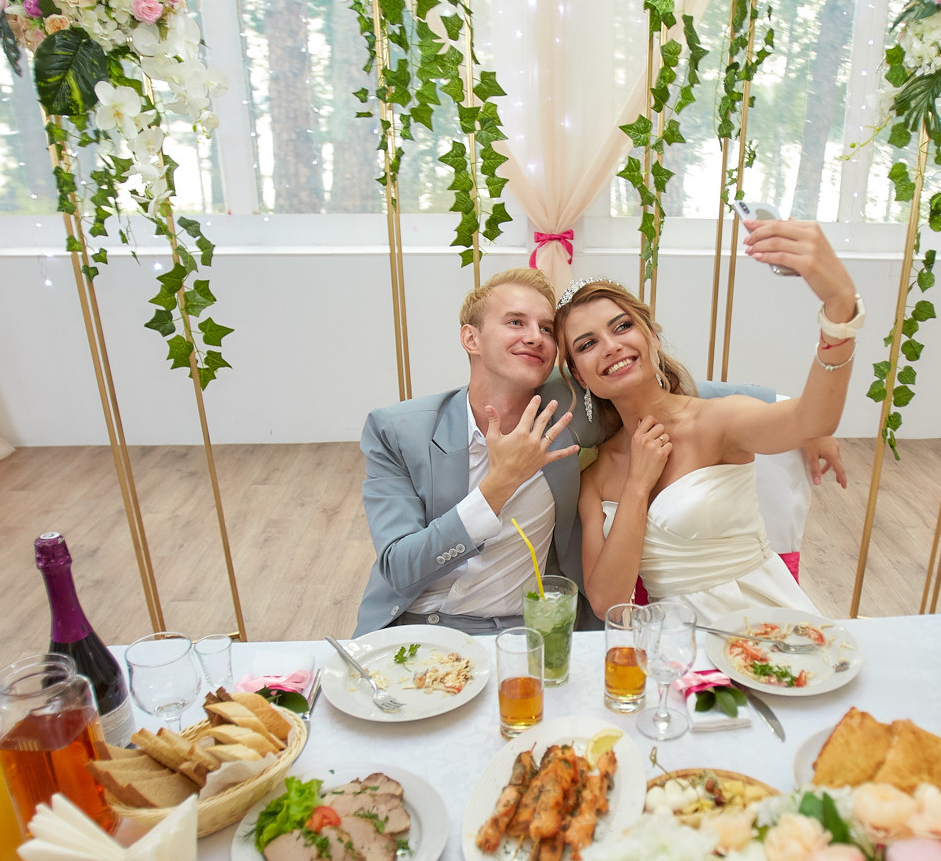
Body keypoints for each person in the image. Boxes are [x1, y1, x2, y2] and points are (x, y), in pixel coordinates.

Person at [355, 267, 841, 636]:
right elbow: (398, 567)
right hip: (417, 627)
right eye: (515, 322)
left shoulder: (565, 419)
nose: (533, 337)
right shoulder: (398, 431)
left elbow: (668, 392)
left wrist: (796, 417)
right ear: (471, 338)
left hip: (527, 633)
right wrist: (500, 483)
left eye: (546, 329)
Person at [562, 218, 862, 623]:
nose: (612, 346)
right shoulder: (595, 479)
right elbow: (607, 604)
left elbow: (812, 419)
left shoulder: (719, 422)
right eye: (587, 344)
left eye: (622, 326)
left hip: (764, 627)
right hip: (674, 653)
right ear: (580, 376)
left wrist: (839, 308)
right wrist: (637, 485)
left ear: (651, 334)